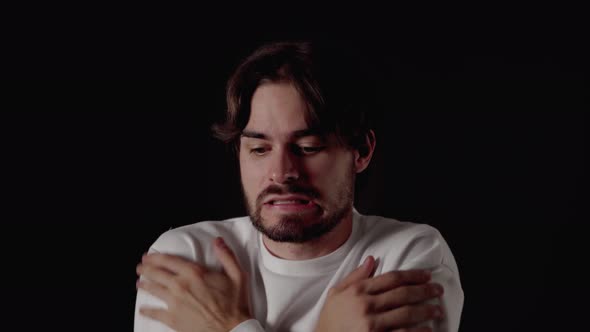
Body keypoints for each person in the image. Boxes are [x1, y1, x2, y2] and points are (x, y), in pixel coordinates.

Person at [134, 41, 464, 332]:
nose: (282, 173)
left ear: (361, 151)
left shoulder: (410, 256)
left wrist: (229, 326)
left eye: (308, 147)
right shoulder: (187, 260)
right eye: (260, 149)